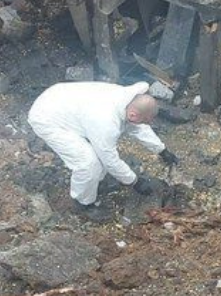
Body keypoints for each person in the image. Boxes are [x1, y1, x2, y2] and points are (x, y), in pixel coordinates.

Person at [28, 80, 179, 219]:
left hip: (63, 101)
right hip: (47, 117)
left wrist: (162, 150)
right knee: (87, 162)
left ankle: (92, 184)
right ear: (133, 115)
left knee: (96, 159)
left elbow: (139, 127)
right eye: (146, 120)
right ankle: (83, 203)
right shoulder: (106, 122)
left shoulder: (128, 99)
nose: (148, 123)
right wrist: (134, 181)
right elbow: (109, 160)